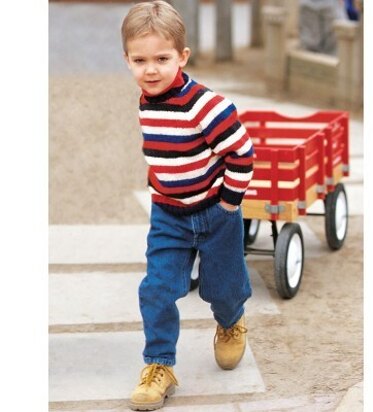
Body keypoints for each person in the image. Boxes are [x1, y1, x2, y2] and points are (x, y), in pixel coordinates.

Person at [121, 1, 254, 410]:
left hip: (216, 212)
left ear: (182, 57)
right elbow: (164, 152)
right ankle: (160, 364)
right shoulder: (147, 100)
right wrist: (160, 186)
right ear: (127, 60)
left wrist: (229, 204)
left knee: (224, 289)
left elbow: (242, 153)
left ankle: (230, 323)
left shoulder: (205, 105)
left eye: (162, 59)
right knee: (157, 288)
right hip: (169, 216)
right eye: (140, 60)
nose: (151, 69)